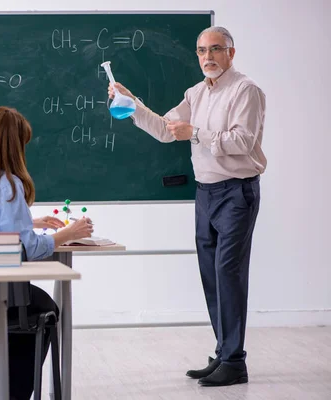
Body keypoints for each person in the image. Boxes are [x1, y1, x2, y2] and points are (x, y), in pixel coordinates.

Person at [109, 26, 266, 386]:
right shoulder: (195, 93)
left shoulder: (246, 90)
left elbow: (243, 141)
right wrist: (132, 102)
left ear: (231, 52)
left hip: (236, 193)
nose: (207, 57)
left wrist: (195, 133)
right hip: (206, 193)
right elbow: (166, 129)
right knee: (212, 276)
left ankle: (235, 361)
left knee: (229, 273)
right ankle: (224, 353)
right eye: (201, 51)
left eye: (215, 49)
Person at [0, 106, 93, 399]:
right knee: (44, 309)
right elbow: (26, 249)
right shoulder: (8, 184)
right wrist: (68, 234)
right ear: (12, 147)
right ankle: (7, 392)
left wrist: (29, 220)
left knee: (24, 308)